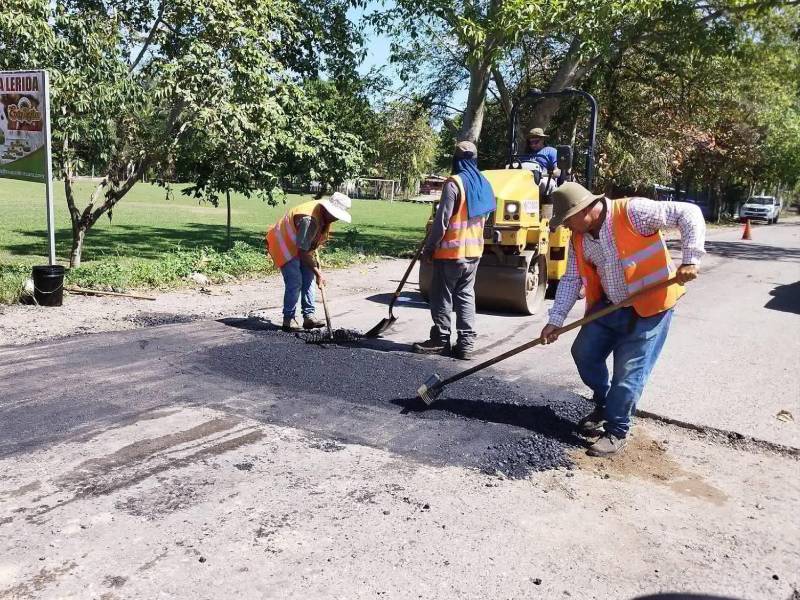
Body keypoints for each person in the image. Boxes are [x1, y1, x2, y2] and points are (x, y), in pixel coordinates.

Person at [539, 182, 705, 457]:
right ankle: (605, 404)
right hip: (610, 306)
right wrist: (555, 320)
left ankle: (617, 430)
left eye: (567, 221)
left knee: (628, 375)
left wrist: (691, 259)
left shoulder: (634, 212)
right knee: (584, 353)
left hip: (650, 308)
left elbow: (689, 213)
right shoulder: (579, 237)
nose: (566, 227)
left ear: (586, 210)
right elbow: (570, 278)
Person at [413, 141, 496, 360]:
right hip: (474, 253)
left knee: (442, 296)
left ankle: (440, 340)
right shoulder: (485, 184)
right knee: (466, 295)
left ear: (456, 160)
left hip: (451, 253)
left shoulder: (454, 183)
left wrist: (430, 248)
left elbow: (442, 221)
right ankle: (466, 344)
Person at [266, 192, 352, 332]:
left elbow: (307, 245)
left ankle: (309, 317)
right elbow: (303, 252)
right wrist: (319, 273)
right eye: (335, 215)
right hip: (285, 245)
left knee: (309, 279)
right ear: (327, 209)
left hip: (301, 245)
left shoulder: (323, 216)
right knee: (296, 281)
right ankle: (288, 320)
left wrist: (314, 271)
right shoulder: (309, 219)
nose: (336, 219)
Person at [519, 127, 559, 197]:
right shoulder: (526, 155)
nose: (533, 145)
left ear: (542, 140)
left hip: (544, 178)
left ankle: (545, 205)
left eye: (536, 142)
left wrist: (551, 173)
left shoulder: (551, 151)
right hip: (525, 180)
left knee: (544, 184)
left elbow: (558, 171)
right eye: (531, 142)